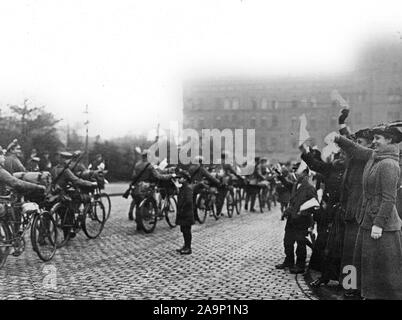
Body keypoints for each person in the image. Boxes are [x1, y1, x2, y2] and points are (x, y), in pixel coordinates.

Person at [335, 124, 402, 300]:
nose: (373, 142)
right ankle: (365, 294)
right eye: (373, 139)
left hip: (382, 227)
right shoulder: (375, 156)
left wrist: (378, 224)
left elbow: (389, 199)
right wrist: (338, 139)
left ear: (390, 140)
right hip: (367, 220)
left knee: (382, 270)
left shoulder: (389, 164)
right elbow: (356, 149)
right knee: (365, 265)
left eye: (377, 139)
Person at [275, 164, 317, 274]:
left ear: (304, 173)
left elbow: (314, 204)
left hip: (302, 220)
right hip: (292, 219)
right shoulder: (296, 185)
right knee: (287, 241)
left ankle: (300, 265)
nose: (295, 173)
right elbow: (288, 185)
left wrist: (302, 212)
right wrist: (280, 177)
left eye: (297, 171)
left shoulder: (309, 187)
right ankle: (289, 261)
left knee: (300, 243)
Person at [127, 149, 174, 230]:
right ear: (148, 156)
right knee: (153, 201)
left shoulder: (137, 165)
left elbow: (133, 176)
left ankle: (139, 225)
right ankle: (154, 214)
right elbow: (159, 176)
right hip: (147, 187)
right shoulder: (149, 166)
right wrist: (170, 176)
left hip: (138, 187)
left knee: (138, 205)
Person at [188, 156, 220, 221]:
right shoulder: (201, 168)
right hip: (199, 186)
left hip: (192, 186)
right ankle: (207, 206)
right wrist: (217, 181)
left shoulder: (190, 168)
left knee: (193, 201)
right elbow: (209, 176)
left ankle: (194, 217)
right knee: (210, 191)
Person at [175, 170, 194, 255]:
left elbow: (189, 201)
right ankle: (185, 245)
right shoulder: (183, 188)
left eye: (180, 178)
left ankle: (188, 247)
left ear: (185, 179)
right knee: (183, 230)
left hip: (186, 214)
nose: (179, 179)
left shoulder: (188, 188)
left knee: (187, 231)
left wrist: (182, 209)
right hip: (183, 213)